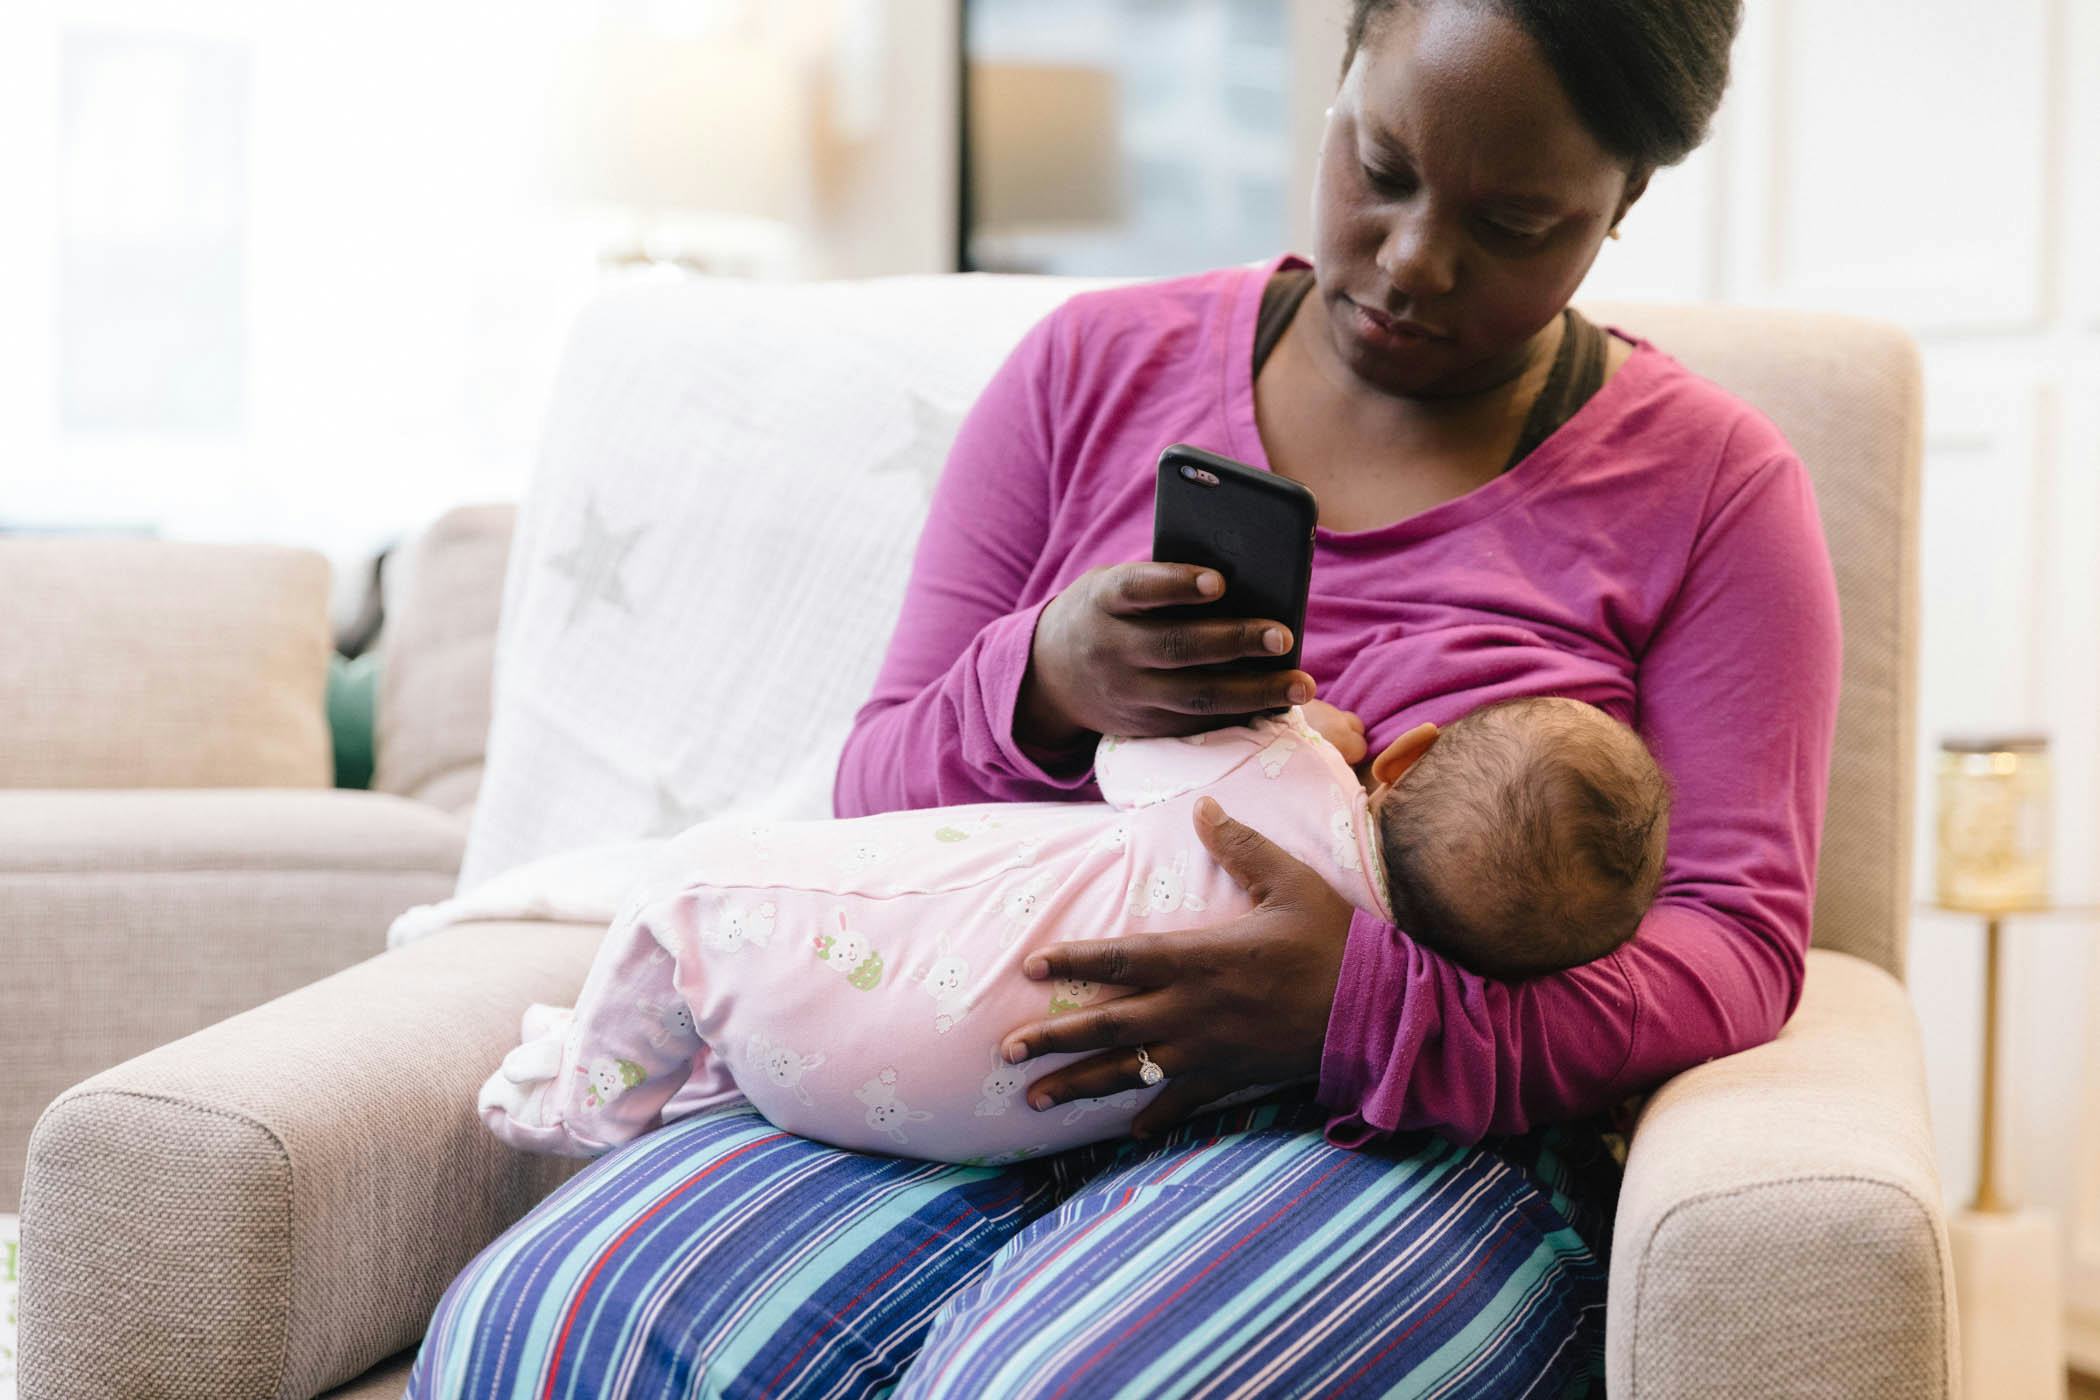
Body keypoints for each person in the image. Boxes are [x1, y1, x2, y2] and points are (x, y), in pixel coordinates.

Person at [407, 0, 1838, 1392]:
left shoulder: (1714, 489)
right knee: (545, 1327)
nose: (1413, 260)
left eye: (1514, 223)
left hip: (1398, 1134)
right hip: (966, 1053)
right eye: (1382, 167)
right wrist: (1047, 682)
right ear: (1340, 77)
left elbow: (1734, 941)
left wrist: (1360, 1009)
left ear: (1623, 200)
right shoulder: (1090, 368)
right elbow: (875, 791)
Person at [472, 696, 1671, 1166]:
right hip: (968, 1118)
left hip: (842, 1014)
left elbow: (1125, 751)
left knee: (685, 894)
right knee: (790, 989)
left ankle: (586, 1102)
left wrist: (1301, 727)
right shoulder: (1359, 1028)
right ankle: (701, 1072)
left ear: (1403, 760)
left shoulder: (1281, 772)